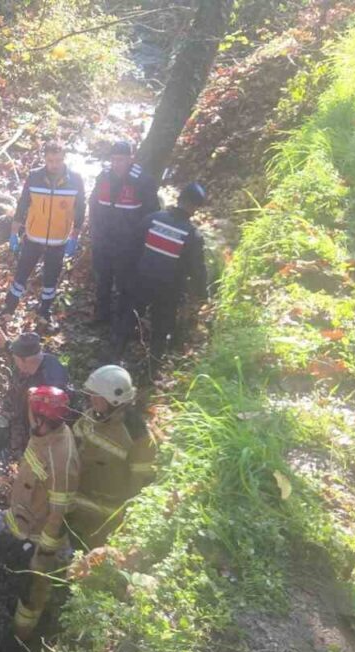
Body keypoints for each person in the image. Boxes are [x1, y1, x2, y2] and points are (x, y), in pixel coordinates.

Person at [4, 386, 80, 641]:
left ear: (42, 419)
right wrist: (33, 396)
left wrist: (43, 555)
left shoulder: (60, 460)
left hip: (39, 539)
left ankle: (21, 636)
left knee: (32, 591)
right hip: (23, 527)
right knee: (16, 577)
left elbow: (59, 515)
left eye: (33, 413)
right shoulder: (44, 432)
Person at [117, 182, 210, 369]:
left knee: (128, 320)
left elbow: (130, 249)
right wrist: (202, 294)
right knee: (160, 330)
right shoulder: (192, 235)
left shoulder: (153, 219)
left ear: (179, 199)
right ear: (195, 207)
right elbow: (197, 270)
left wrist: (125, 278)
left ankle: (113, 357)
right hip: (168, 291)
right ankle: (151, 372)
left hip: (141, 281)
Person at [1, 141, 86, 327]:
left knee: (51, 279)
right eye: (50, 160)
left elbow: (80, 207)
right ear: (45, 159)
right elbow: (23, 204)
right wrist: (14, 232)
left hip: (59, 239)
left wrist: (75, 235)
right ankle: (9, 308)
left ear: (64, 158)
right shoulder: (34, 177)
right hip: (33, 236)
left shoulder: (75, 179)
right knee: (21, 274)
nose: (54, 164)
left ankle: (44, 312)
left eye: (58, 160)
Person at [71, 365, 154, 546]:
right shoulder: (91, 417)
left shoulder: (136, 434)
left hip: (107, 517)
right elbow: (73, 445)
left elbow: (141, 482)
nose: (91, 399)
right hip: (79, 502)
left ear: (113, 399)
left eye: (96, 395)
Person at [87, 141, 159, 325]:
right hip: (103, 240)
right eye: (113, 159)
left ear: (130, 159)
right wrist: (94, 231)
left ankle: (121, 323)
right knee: (102, 279)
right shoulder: (104, 176)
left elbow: (151, 214)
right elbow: (93, 204)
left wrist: (139, 242)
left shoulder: (143, 181)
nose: (116, 164)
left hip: (128, 244)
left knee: (125, 284)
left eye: (120, 160)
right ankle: (101, 316)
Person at [6, 332, 71, 449]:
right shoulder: (46, 359)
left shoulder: (48, 387)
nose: (15, 361)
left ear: (24, 361)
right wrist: (6, 344)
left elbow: (47, 428)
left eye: (15, 359)